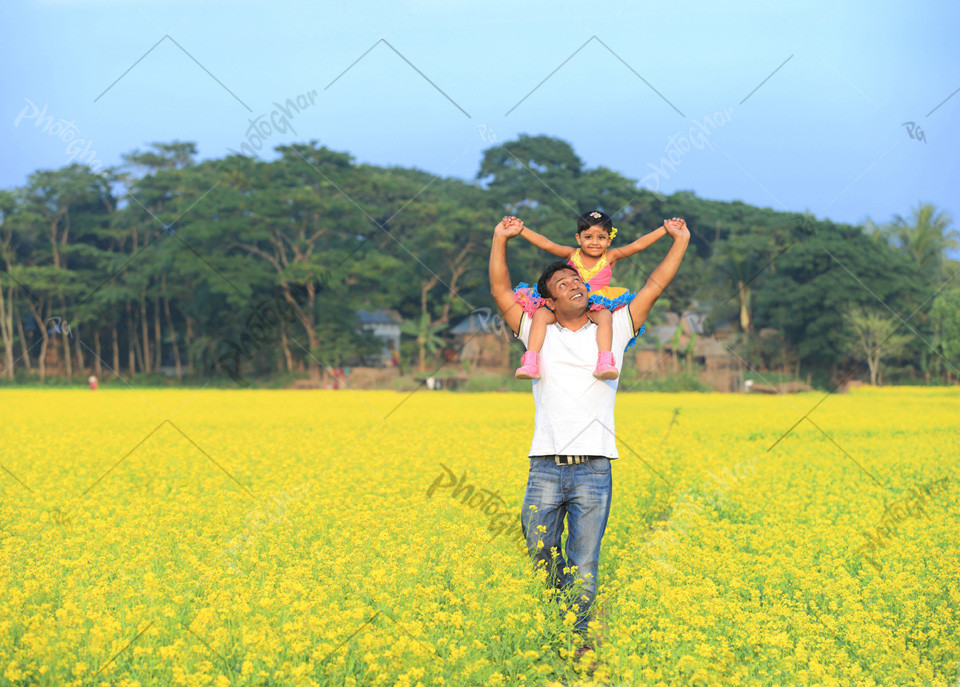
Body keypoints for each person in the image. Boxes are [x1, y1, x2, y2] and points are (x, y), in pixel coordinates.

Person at [488, 213, 691, 657]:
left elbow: (656, 285)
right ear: (547, 301)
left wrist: (680, 240)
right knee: (539, 555)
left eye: (576, 279)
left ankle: (575, 639)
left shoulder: (615, 328)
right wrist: (500, 239)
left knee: (584, 564)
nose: (575, 283)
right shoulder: (534, 333)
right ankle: (551, 619)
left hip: (595, 470)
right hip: (544, 465)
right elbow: (501, 291)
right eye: (562, 283)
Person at [511, 211, 668, 381]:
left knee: (605, 316)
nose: (594, 242)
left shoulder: (610, 257)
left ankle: (605, 361)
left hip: (595, 303)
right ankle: (531, 361)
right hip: (568, 304)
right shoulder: (572, 254)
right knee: (541, 314)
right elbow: (547, 244)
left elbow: (638, 245)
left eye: (601, 238)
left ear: (609, 240)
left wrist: (664, 229)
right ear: (579, 238)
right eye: (588, 237)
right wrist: (521, 230)